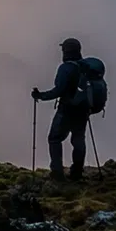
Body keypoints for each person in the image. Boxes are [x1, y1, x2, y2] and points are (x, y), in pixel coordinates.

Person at [33, 37, 91, 180]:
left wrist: (40, 95)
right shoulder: (84, 67)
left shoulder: (66, 68)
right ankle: (77, 172)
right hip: (83, 110)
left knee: (54, 138)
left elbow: (58, 91)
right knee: (78, 139)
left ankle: (57, 173)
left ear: (65, 51)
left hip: (67, 110)